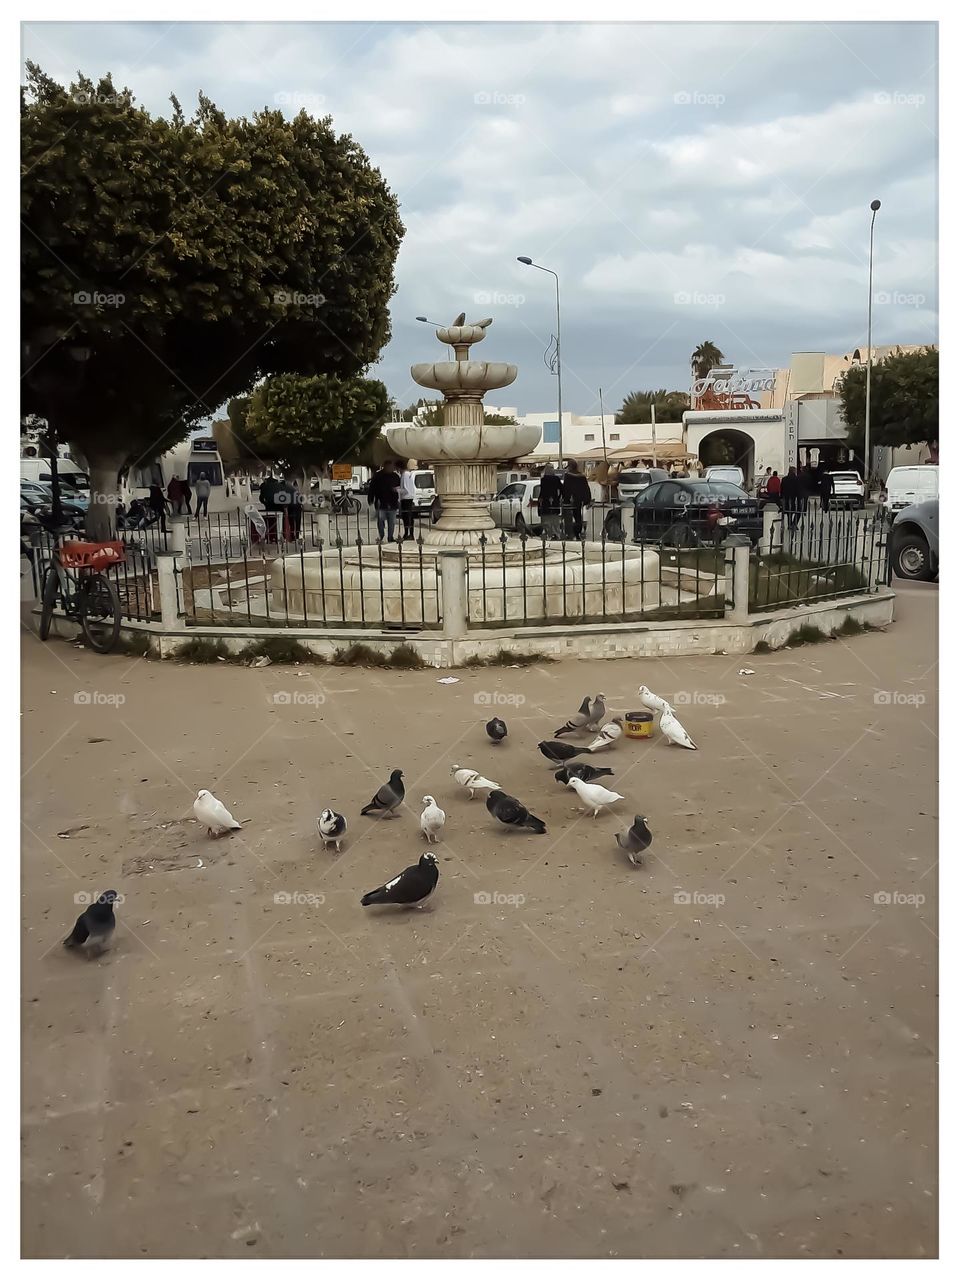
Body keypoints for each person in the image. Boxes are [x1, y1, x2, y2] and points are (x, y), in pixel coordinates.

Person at [368, 458, 400, 541]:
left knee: (391, 522)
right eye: (388, 467)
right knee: (380, 521)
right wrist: (370, 499)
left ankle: (390, 537)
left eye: (391, 467)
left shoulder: (395, 476)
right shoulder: (378, 476)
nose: (390, 468)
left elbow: (399, 488)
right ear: (385, 467)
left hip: (392, 503)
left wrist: (397, 493)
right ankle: (381, 535)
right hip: (381, 503)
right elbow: (372, 488)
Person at [561, 459, 591, 539]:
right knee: (578, 517)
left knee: (568, 517)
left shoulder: (568, 476)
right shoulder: (582, 476)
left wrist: (564, 497)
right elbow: (586, 488)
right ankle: (577, 533)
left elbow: (565, 488)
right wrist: (587, 499)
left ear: (570, 467)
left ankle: (569, 533)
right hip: (578, 500)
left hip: (569, 500)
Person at [537, 462, 563, 539]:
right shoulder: (556, 479)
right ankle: (556, 534)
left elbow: (542, 491)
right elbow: (562, 489)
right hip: (554, 501)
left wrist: (540, 500)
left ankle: (549, 533)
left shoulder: (543, 479)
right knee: (554, 519)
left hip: (546, 501)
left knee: (547, 518)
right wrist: (559, 497)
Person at [779, 465, 804, 532]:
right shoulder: (797, 479)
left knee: (788, 512)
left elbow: (782, 489)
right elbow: (799, 489)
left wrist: (781, 497)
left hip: (786, 498)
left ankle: (790, 524)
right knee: (798, 511)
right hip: (795, 498)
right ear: (794, 471)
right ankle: (794, 524)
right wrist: (800, 497)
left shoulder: (784, 479)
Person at [399, 464, 417, 539]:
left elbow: (406, 489)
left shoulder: (405, 475)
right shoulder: (408, 474)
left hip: (406, 498)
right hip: (409, 497)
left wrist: (397, 490)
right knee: (408, 516)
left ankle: (408, 533)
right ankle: (409, 533)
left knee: (406, 516)